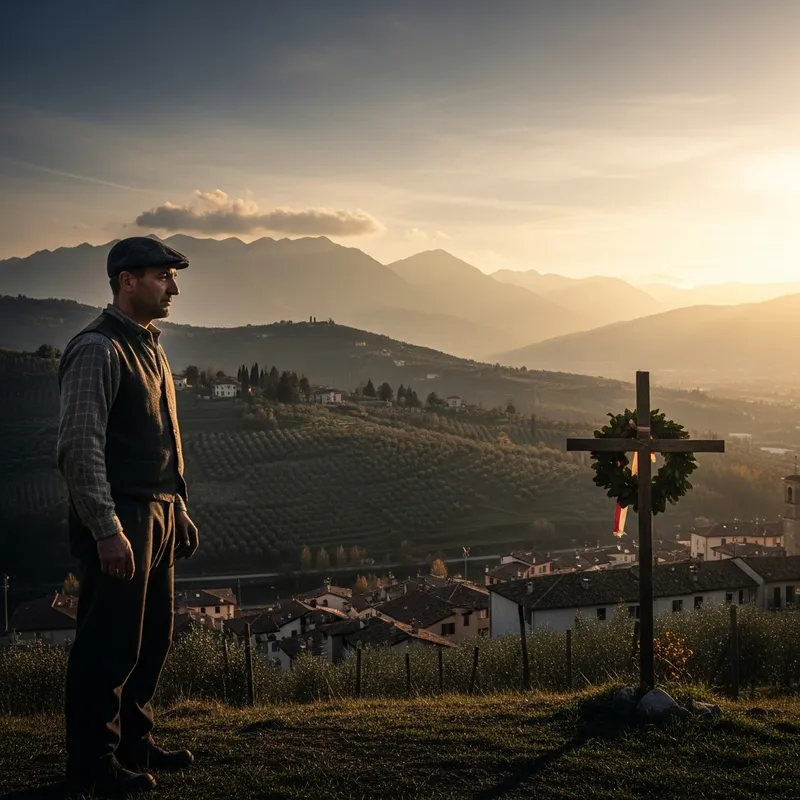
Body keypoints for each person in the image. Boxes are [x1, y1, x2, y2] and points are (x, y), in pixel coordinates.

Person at [57, 236, 200, 797]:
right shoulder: (98, 348)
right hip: (123, 518)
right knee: (109, 643)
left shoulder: (151, 345)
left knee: (151, 638)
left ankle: (134, 745)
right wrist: (107, 528)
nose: (174, 287)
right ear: (126, 280)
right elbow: (79, 446)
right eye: (163, 276)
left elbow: (164, 435)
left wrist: (178, 505)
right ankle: (93, 764)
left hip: (159, 512)